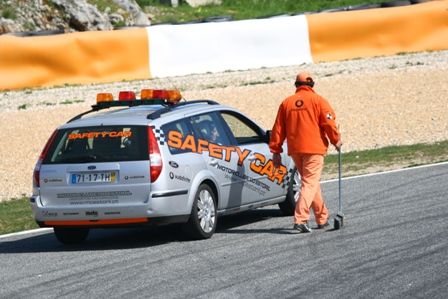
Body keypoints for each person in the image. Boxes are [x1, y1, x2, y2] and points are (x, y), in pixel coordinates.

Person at [269, 71, 342, 233]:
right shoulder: (318, 100)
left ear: (296, 85)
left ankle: (322, 217)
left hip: (296, 149)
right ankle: (301, 219)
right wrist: (336, 140)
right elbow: (329, 123)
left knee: (310, 182)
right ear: (312, 85)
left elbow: (278, 129)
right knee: (309, 183)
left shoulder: (286, 103)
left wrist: (276, 150)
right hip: (314, 149)